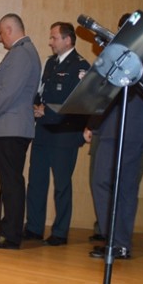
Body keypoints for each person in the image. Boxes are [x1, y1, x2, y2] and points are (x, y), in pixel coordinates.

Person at [88, 13, 143, 260]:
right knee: (110, 185)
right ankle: (115, 241)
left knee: (117, 187)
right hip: (112, 129)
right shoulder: (123, 55)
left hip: (127, 131)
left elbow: (137, 90)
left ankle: (118, 242)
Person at [25, 22, 91, 246]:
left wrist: (49, 111)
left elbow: (79, 102)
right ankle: (33, 228)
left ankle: (60, 232)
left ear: (67, 40)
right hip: (43, 130)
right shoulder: (51, 63)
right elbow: (41, 92)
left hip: (65, 133)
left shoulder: (81, 66)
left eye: (54, 38)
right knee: (36, 181)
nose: (50, 42)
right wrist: (36, 107)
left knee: (62, 185)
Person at [0, 13, 41, 250]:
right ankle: (8, 227)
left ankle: (11, 235)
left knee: (12, 182)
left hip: (12, 127)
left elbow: (7, 92)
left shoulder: (21, 53)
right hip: (13, 126)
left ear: (9, 29)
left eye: (0, 32)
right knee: (10, 181)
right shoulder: (23, 52)